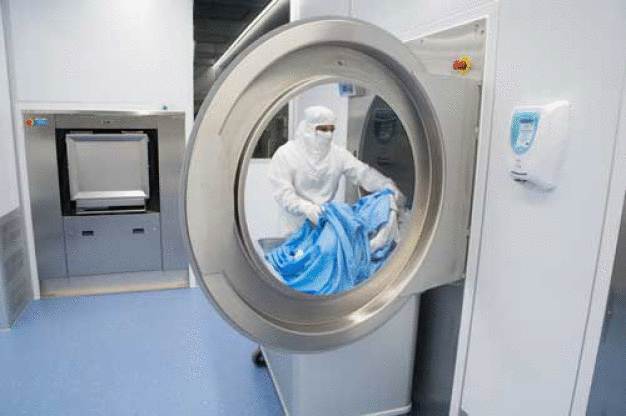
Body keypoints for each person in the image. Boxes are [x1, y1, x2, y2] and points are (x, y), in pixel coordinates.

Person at [268, 105, 404, 248]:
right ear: (309, 128)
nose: (329, 134)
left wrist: (386, 185)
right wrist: (305, 207)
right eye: (323, 129)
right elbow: (282, 193)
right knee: (298, 263)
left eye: (332, 129)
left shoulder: (337, 154)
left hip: (325, 224)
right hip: (294, 227)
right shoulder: (286, 154)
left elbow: (363, 173)